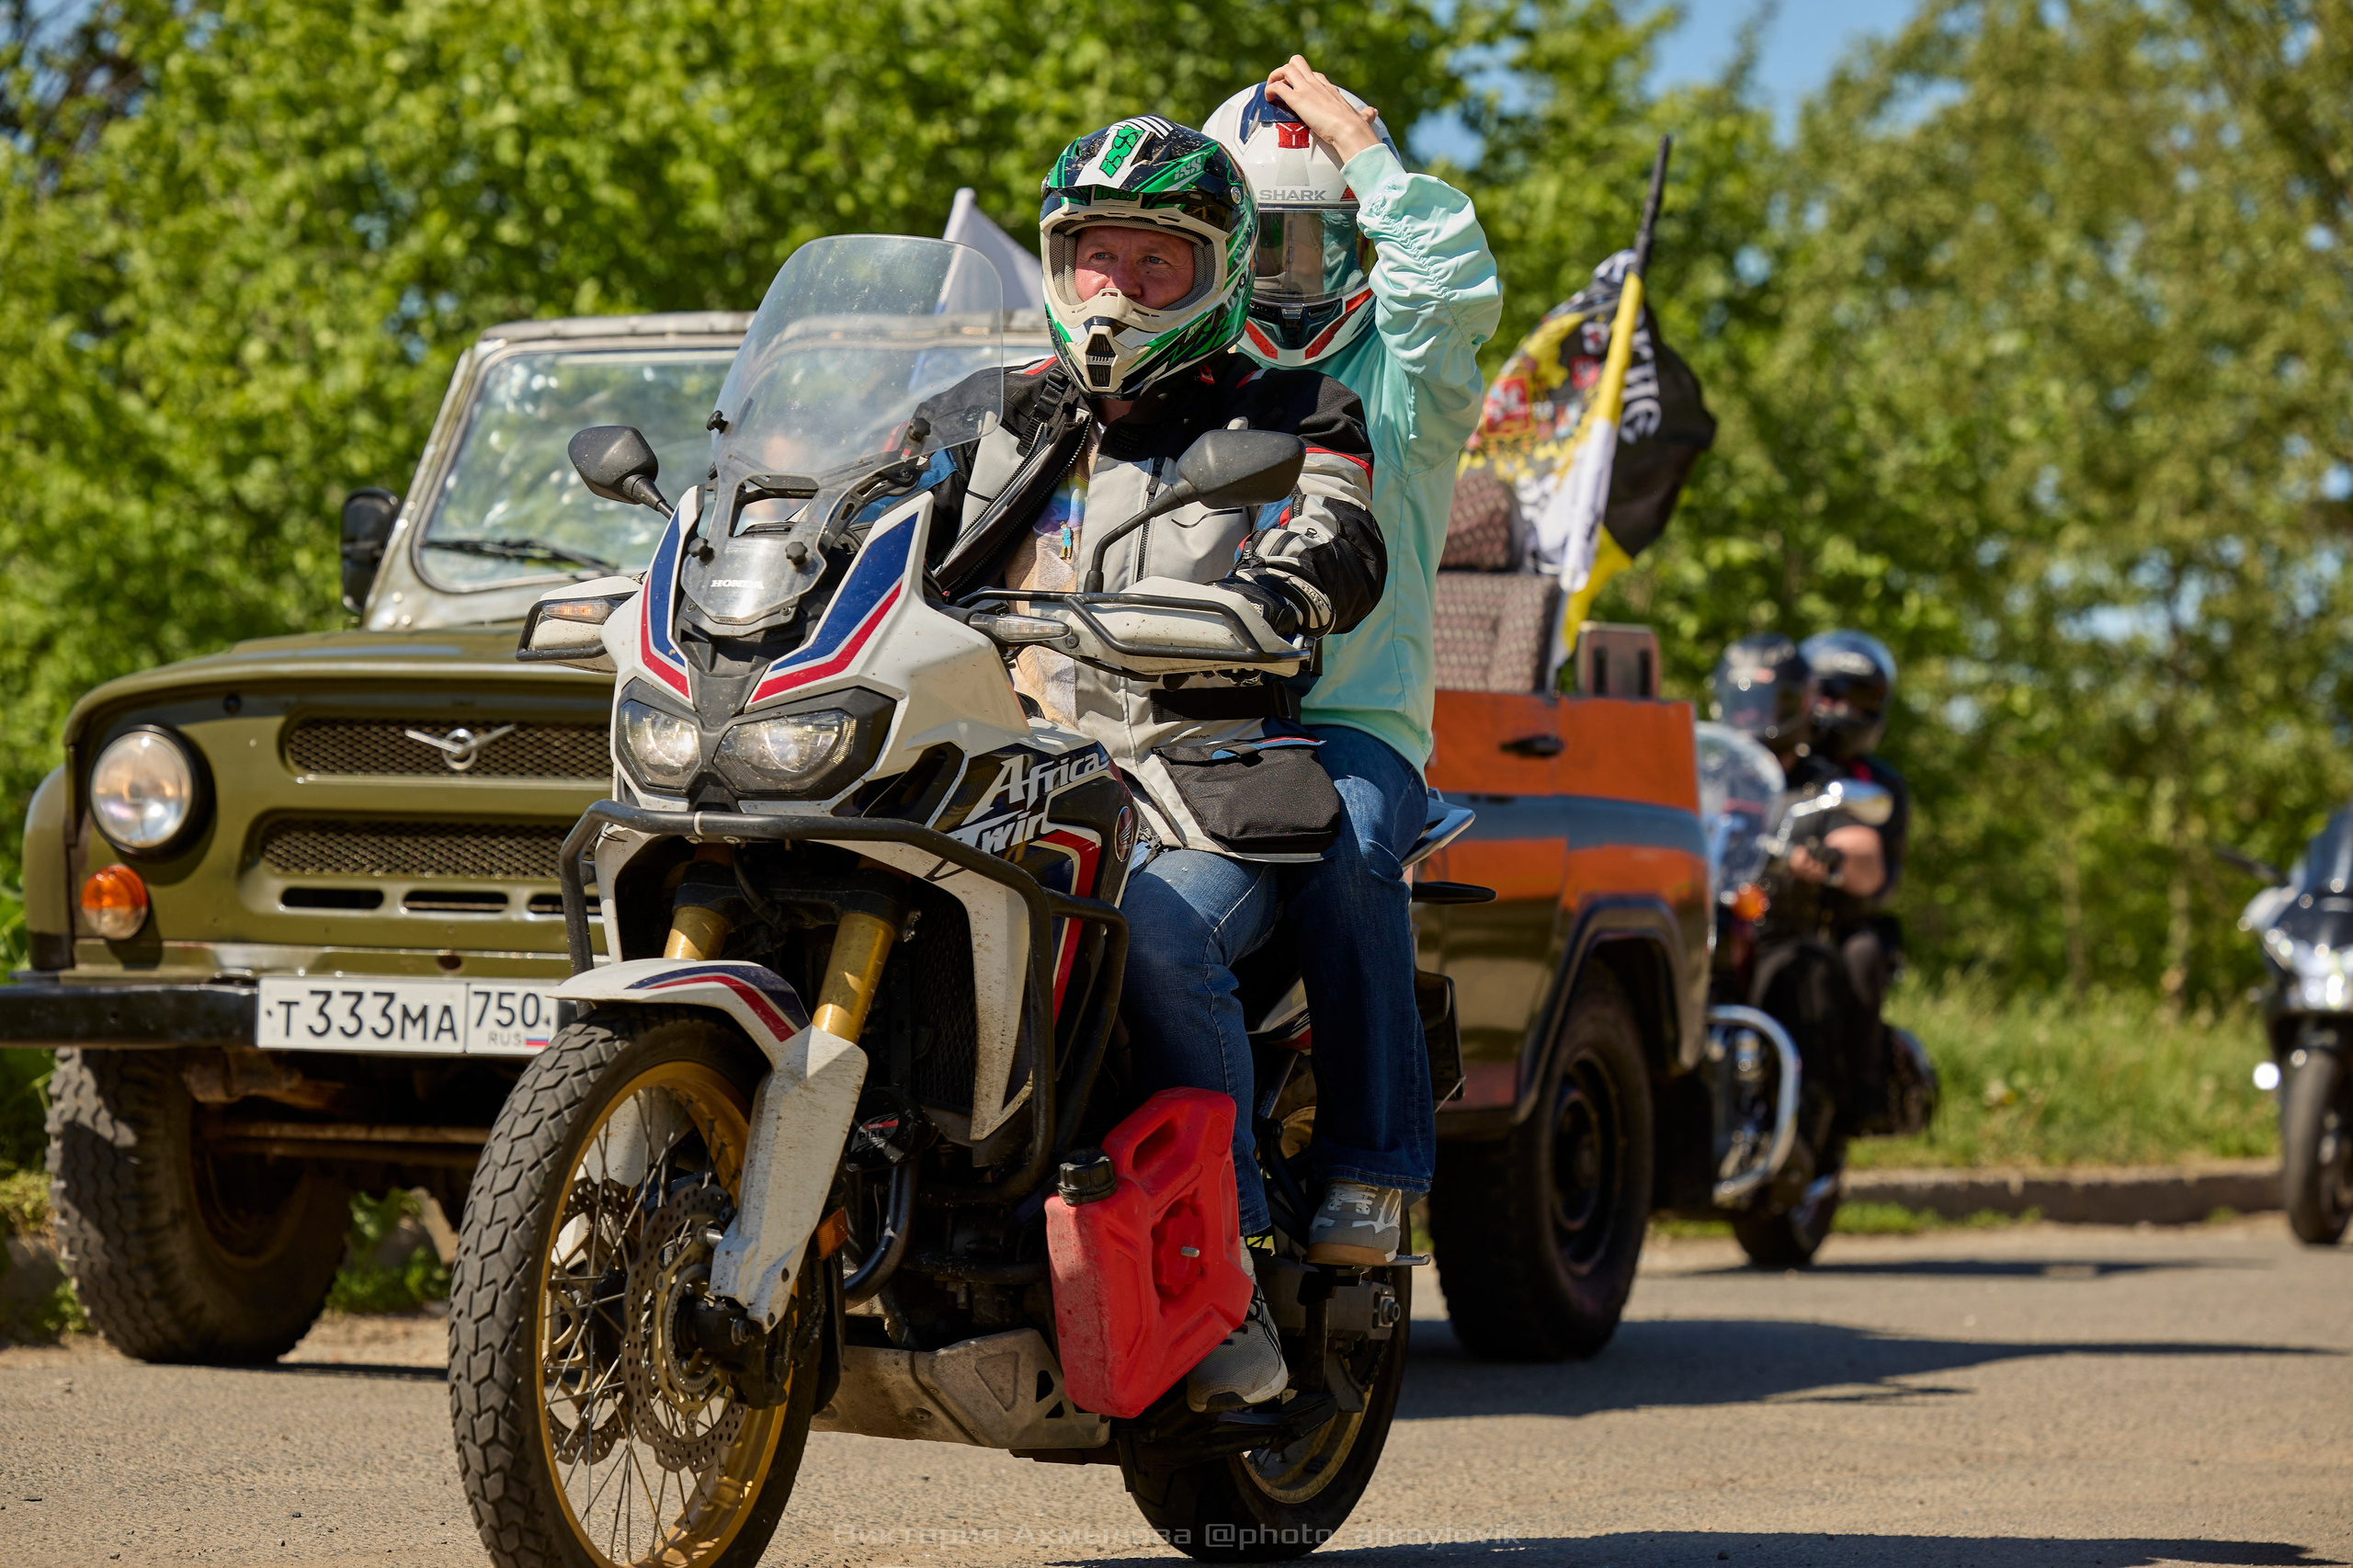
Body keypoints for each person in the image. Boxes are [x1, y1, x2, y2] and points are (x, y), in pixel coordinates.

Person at [926, 116, 1384, 1411]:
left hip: (1191, 788)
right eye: (1093, 258)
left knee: (1156, 932)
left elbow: (1340, 531)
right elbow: (863, 500)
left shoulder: (1290, 406)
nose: (1117, 290)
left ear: (1218, 271)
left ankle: (1218, 1265)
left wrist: (1295, 582)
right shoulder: (1006, 408)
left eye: (1156, 265)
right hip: (1004, 773)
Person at [1204, 57, 1500, 1270]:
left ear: (1358, 246)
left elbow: (1450, 281)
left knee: (1344, 845)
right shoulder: (1184, 365)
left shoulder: (1405, 375)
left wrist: (1362, 145)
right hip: (1174, 712)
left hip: (1350, 715)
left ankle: (1375, 1168)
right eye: (1256, 244)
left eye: (1309, 245)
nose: (1283, 278)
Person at [1786, 630, 1910, 1130]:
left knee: (1861, 957)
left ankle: (1858, 1097)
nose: (1839, 710)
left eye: (1857, 700)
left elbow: (1879, 875)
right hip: (1771, 909)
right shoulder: (1779, 765)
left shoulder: (1879, 784)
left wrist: (1832, 862)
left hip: (1844, 920)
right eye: (1829, 694)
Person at [1708, 631, 1812, 765]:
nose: (1752, 715)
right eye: (1739, 703)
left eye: (1763, 703)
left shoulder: (1826, 782)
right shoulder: (1711, 779)